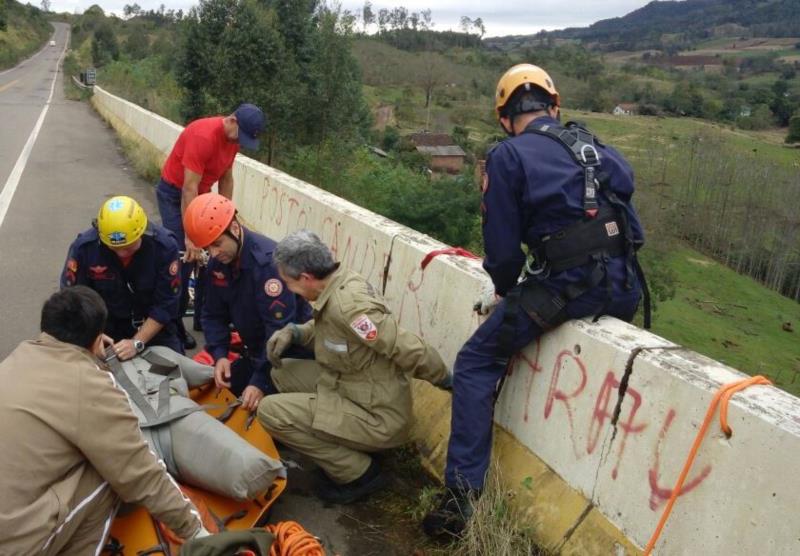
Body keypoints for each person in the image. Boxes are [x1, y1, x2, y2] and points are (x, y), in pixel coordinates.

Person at [422, 63, 648, 538]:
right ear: (554, 105)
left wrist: (504, 288)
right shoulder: (595, 148)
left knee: (476, 362)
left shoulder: (508, 156)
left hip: (567, 285)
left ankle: (460, 500)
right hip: (625, 283)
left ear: (504, 117)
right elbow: (625, 199)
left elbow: (503, 252)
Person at [0, 286, 208, 555]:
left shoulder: (17, 357)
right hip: (14, 543)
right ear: (98, 339)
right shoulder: (88, 383)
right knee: (109, 471)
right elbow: (138, 470)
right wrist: (194, 530)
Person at [261, 230, 451, 504]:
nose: (289, 289)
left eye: (288, 282)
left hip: (378, 415)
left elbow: (405, 346)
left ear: (305, 278)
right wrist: (296, 333)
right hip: (352, 387)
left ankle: (359, 473)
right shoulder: (336, 285)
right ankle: (345, 444)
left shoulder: (349, 306)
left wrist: (447, 380)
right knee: (281, 372)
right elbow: (332, 331)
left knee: (270, 412)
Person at [182, 193, 312, 412]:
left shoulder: (269, 265)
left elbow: (278, 332)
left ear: (234, 228)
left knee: (264, 412)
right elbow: (212, 315)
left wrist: (260, 381)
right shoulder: (218, 264)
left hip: (288, 355)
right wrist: (220, 354)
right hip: (256, 352)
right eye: (207, 248)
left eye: (217, 244)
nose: (213, 253)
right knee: (219, 393)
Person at [156, 103, 267, 349]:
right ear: (232, 121)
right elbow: (188, 189)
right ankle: (174, 326)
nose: (241, 143)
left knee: (212, 257)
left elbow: (227, 177)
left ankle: (203, 319)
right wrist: (192, 237)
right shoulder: (203, 135)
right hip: (175, 195)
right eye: (243, 136)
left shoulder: (233, 141)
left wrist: (226, 218)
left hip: (201, 195)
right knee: (185, 258)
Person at [61, 195, 183, 360]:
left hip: (153, 327)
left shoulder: (164, 247)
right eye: (114, 248)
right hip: (104, 329)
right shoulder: (85, 249)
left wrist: (137, 342)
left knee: (176, 369)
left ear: (141, 231)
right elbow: (72, 300)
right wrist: (92, 337)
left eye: (128, 247)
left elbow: (166, 304)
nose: (121, 253)